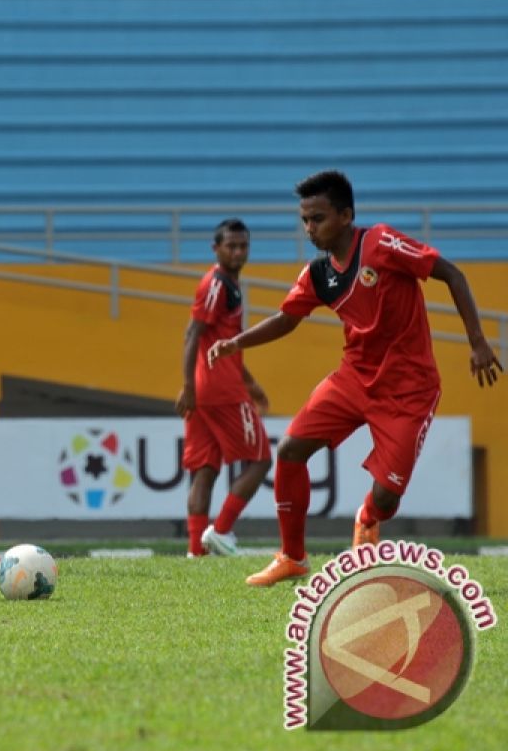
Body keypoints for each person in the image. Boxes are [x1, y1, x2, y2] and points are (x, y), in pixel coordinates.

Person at [207, 169, 501, 587]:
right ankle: (292, 557)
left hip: (409, 389)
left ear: (345, 216)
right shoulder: (318, 274)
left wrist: (478, 342)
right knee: (290, 449)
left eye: (318, 218)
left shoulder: (381, 243)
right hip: (353, 378)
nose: (310, 228)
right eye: (305, 220)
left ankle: (368, 518)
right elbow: (286, 319)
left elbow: (451, 273)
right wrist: (237, 343)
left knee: (387, 495)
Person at [175, 219, 273, 558]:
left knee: (206, 468)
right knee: (260, 460)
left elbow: (221, 345)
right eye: (231, 246)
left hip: (207, 389)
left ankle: (195, 553)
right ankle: (221, 529)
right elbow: (192, 335)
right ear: (216, 249)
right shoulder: (216, 285)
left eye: (243, 245)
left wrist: (251, 382)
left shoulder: (228, 284)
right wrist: (188, 385)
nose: (238, 252)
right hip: (221, 390)